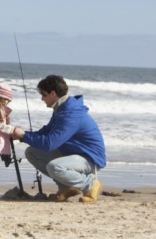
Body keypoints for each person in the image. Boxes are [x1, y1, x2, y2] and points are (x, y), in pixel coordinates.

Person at [11, 75, 106, 203]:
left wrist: (23, 135)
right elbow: (46, 132)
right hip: (71, 154)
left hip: (89, 159)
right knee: (31, 152)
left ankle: (90, 184)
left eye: (44, 95)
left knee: (54, 167)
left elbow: (49, 143)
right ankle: (66, 187)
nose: (42, 99)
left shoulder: (71, 114)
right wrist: (21, 135)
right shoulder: (61, 109)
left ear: (53, 94)